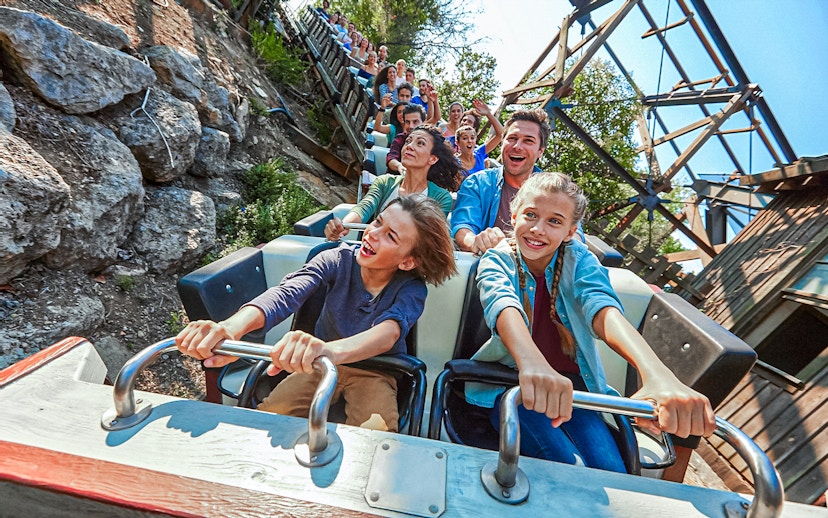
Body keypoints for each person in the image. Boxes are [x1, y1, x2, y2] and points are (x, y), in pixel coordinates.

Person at [470, 172, 716, 470]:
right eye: (531, 215)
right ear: (515, 214)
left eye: (555, 221)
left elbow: (602, 309)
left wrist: (656, 374)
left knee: (613, 470)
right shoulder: (498, 259)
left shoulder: (579, 260)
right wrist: (533, 364)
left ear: (571, 231)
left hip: (576, 393)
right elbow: (503, 304)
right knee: (568, 465)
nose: (537, 229)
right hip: (514, 385)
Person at [177, 196, 458, 433]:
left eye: (390, 236)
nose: (372, 233)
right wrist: (231, 327)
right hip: (319, 365)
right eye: (378, 222)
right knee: (269, 418)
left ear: (408, 261)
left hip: (377, 370)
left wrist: (326, 350)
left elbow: (388, 333)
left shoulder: (411, 288)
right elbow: (287, 292)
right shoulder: (335, 258)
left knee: (374, 438)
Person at [325, 125, 461, 241]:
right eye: (408, 141)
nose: (409, 146)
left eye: (420, 143)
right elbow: (365, 207)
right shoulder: (385, 182)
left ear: (432, 159)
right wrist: (343, 225)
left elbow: (429, 234)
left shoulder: (441, 197)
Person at [451, 108, 550, 254]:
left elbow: (574, 235)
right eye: (512, 138)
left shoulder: (556, 191)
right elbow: (463, 228)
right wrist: (476, 242)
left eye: (528, 141)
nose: (517, 146)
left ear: (540, 151)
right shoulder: (477, 183)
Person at [385, 101, 443, 176]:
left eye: (415, 122)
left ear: (423, 122)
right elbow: (391, 158)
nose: (411, 126)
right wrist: (400, 166)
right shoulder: (400, 138)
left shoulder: (432, 142)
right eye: (407, 122)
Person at [455, 100, 505, 177]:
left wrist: (488, 114)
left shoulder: (479, 153)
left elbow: (501, 134)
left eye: (472, 138)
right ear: (457, 142)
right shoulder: (454, 162)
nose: (469, 141)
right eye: (465, 138)